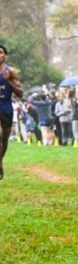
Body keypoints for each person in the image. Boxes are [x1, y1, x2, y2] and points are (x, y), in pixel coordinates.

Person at [0, 44, 23, 179]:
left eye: (1, 52)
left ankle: (0, 162)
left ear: (5, 55)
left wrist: (9, 81)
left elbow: (20, 93)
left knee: (4, 140)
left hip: (7, 108)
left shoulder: (11, 72)